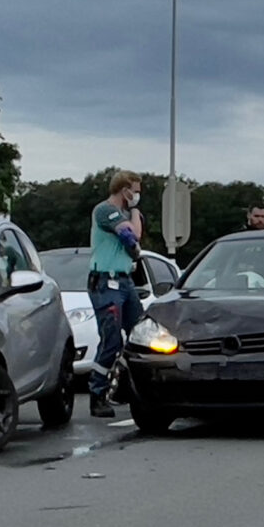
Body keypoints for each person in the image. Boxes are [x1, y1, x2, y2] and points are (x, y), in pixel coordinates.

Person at [87, 172, 146, 420]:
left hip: (124, 280)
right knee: (111, 339)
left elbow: (137, 234)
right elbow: (128, 236)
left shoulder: (127, 213)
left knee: (141, 334)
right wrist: (133, 235)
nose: (137, 194)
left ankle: (127, 386)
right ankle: (97, 393)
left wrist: (134, 211)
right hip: (105, 281)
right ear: (124, 190)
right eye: (135, 190)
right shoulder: (105, 211)